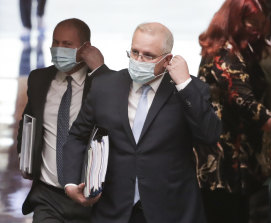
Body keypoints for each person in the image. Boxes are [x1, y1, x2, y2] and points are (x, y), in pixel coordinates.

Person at [63, 22, 221, 223]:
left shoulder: (189, 90)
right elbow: (77, 135)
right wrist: (70, 182)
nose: (139, 60)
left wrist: (184, 85)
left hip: (172, 211)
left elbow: (210, 135)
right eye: (135, 52)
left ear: (167, 60)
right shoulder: (105, 86)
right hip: (113, 209)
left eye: (148, 55)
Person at [16, 18, 108, 223]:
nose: (59, 49)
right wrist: (24, 158)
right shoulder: (39, 79)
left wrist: (100, 69)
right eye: (55, 42)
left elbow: (115, 116)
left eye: (67, 44)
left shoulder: (101, 84)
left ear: (85, 48)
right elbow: (27, 122)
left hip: (89, 196)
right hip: (47, 196)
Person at [193, 0, 271, 222]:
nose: (256, 29)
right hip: (220, 162)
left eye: (260, 22)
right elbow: (246, 103)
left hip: (240, 161)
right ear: (234, 21)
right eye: (250, 22)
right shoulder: (223, 53)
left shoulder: (243, 52)